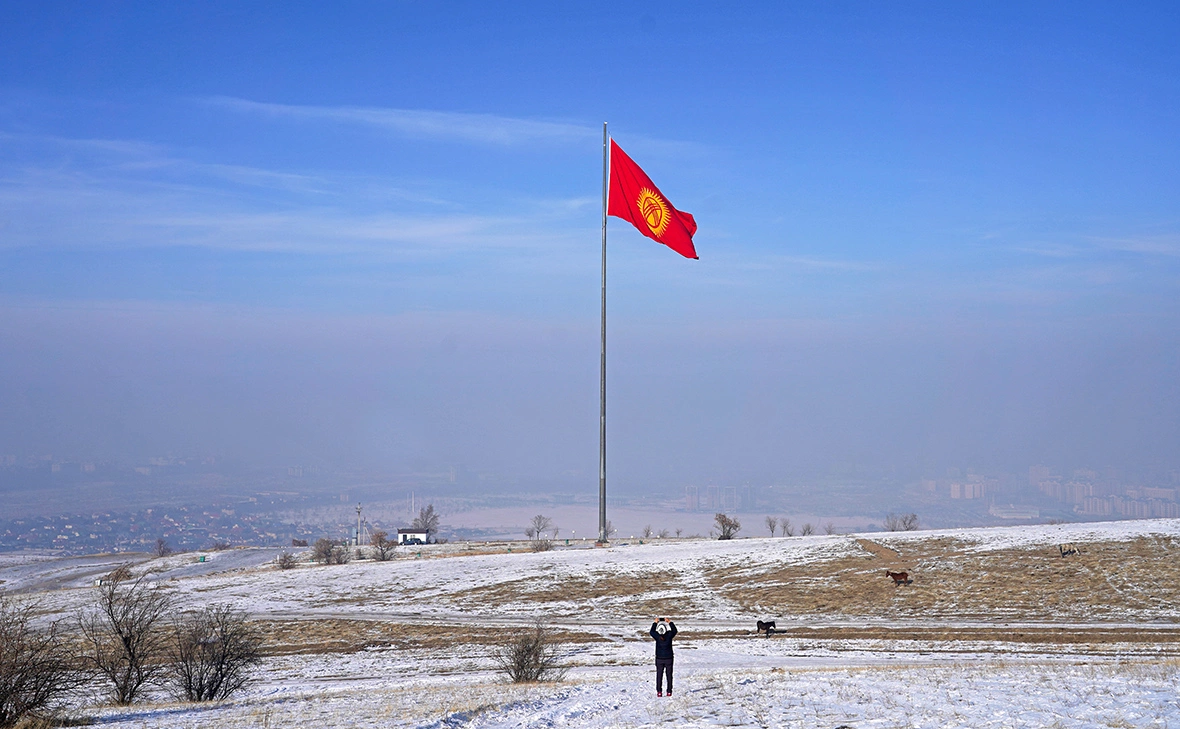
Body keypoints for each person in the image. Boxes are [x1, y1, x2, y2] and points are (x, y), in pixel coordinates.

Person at [649, 617, 677, 697]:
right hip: (669, 658)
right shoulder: (669, 635)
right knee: (669, 675)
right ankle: (669, 691)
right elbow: (674, 631)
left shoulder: (657, 636)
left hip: (659, 659)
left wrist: (655, 623)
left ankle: (659, 692)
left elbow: (651, 632)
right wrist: (669, 622)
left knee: (659, 675)